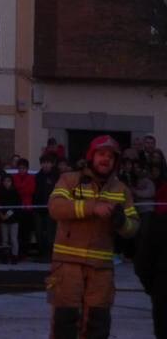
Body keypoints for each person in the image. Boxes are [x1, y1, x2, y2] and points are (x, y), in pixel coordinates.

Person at [48, 135, 140, 339]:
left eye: (110, 156)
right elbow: (55, 208)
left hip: (101, 268)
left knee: (98, 324)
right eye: (101, 154)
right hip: (68, 265)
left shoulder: (122, 190)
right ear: (91, 156)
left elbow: (134, 227)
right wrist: (92, 207)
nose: (105, 159)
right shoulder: (70, 180)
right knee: (65, 322)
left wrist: (122, 222)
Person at [135, 182, 167, 339]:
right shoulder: (159, 224)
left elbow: (142, 263)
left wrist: (153, 288)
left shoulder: (158, 224)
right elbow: (142, 262)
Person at [13, 158, 35, 260]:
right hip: (17, 209)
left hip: (27, 209)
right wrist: (22, 188)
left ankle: (25, 253)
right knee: (17, 232)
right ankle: (17, 252)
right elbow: (15, 190)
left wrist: (20, 188)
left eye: (24, 168)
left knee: (26, 232)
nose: (22, 170)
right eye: (20, 168)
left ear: (27, 169)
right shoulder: (14, 177)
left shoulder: (31, 178)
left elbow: (30, 190)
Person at [0, 172, 23, 262]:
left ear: (11, 182)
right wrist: (1, 215)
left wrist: (6, 215)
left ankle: (14, 256)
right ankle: (5, 255)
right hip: (3, 219)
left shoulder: (15, 192)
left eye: (8, 181)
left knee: (13, 239)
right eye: (4, 181)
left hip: (13, 219)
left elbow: (16, 206)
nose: (6, 183)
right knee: (4, 239)